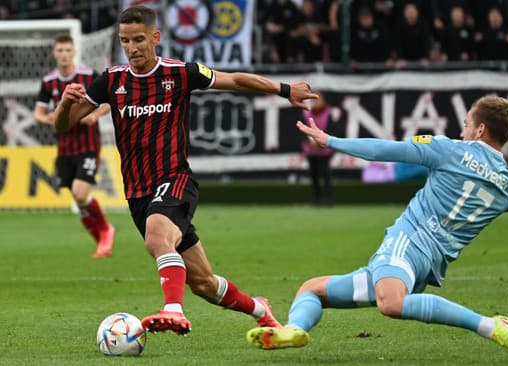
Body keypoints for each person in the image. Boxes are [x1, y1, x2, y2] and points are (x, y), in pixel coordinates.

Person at [246, 96, 508, 359]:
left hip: (408, 243)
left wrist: (330, 140)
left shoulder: (448, 149)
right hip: (428, 264)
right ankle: (292, 329)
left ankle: (490, 326)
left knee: (391, 304)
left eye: (467, 123)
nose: (462, 130)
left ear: (481, 130)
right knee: (312, 289)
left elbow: (385, 149)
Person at [54, 5, 318, 336]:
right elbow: (64, 126)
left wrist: (284, 89)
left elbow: (234, 79)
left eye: (138, 39)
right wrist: (65, 104)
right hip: (137, 192)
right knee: (204, 284)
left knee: (157, 236)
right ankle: (260, 309)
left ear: (155, 37)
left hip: (175, 179)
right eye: (125, 41)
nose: (132, 48)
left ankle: (173, 310)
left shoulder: (180, 73)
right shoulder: (111, 80)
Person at [34, 33, 115, 258]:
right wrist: (49, 118)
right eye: (60, 50)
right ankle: (100, 241)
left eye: (67, 50)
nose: (63, 55)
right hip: (64, 147)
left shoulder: (89, 75)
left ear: (74, 52)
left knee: (81, 194)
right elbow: (38, 113)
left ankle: (107, 230)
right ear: (54, 53)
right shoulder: (49, 81)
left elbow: (109, 101)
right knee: (79, 203)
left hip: (88, 144)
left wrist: (95, 115)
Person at [301, 92, 334, 205]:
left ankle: (329, 199)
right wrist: (311, 142)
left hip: (325, 151)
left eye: (318, 99)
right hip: (311, 151)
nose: (315, 102)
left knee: (326, 175)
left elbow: (331, 129)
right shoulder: (306, 114)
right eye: (313, 100)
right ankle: (317, 199)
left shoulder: (328, 113)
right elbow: (302, 129)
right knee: (314, 176)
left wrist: (320, 142)